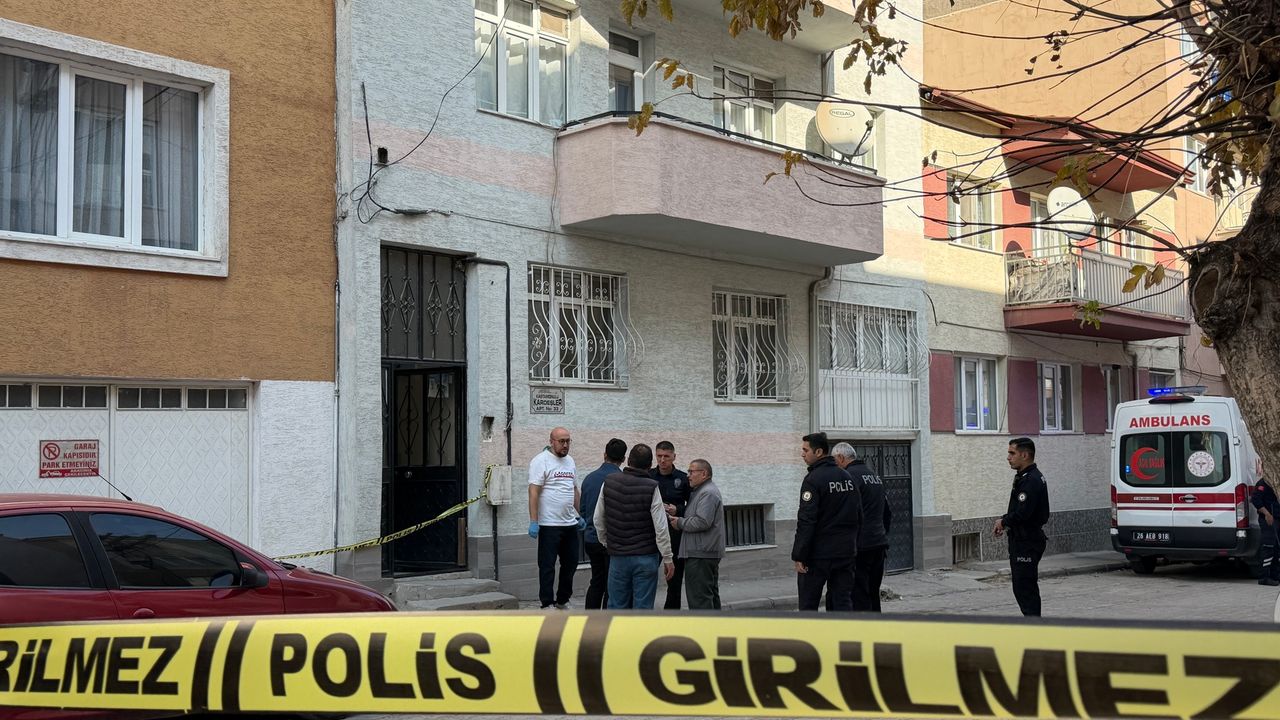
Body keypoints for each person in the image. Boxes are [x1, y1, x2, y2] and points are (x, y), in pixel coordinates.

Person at [593, 443, 675, 609]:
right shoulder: (652, 487)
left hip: (618, 556)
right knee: (643, 609)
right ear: (650, 465)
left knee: (617, 606)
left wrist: (607, 542)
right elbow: (661, 527)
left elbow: (598, 519)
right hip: (646, 557)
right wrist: (667, 558)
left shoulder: (609, 482)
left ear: (628, 461)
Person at [792, 432, 862, 611]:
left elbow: (807, 520)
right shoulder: (847, 477)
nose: (802, 454)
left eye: (805, 450)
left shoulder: (813, 480)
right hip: (845, 553)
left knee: (808, 605)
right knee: (842, 602)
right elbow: (858, 515)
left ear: (818, 452)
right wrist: (853, 545)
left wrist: (800, 555)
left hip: (818, 555)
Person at [528, 427, 583, 610]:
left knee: (571, 563)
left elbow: (573, 490)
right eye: (561, 441)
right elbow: (533, 492)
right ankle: (546, 603)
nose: (565, 445)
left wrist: (581, 514)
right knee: (547, 566)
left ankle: (562, 600)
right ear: (551, 441)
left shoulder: (570, 461)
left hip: (569, 523)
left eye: (568, 441)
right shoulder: (540, 461)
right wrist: (534, 521)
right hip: (549, 524)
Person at [993, 437, 1050, 616]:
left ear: (1024, 455)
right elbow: (1019, 509)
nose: (1008, 457)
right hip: (1023, 539)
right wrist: (1004, 520)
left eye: (1012, 453)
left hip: (1027, 541)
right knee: (1022, 586)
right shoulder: (1025, 477)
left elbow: (1023, 513)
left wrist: (1004, 522)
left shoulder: (1031, 480)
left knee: (1025, 587)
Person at [832, 442, 892, 612]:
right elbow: (887, 513)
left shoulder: (848, 477)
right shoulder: (874, 476)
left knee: (859, 594)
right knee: (873, 592)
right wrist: (881, 533)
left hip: (860, 547)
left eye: (834, 460)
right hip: (878, 544)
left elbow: (844, 514)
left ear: (841, 458)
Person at [669, 459, 724, 609]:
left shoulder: (707, 493)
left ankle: (703, 625)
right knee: (709, 598)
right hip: (702, 552)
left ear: (704, 473)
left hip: (701, 554)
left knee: (699, 600)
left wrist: (680, 522)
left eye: (691, 471)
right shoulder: (701, 491)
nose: (688, 475)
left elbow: (702, 521)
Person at [580, 438, 626, 608]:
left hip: (591, 538)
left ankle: (590, 617)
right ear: (623, 459)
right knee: (611, 585)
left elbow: (583, 510)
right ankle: (607, 618)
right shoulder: (622, 479)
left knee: (597, 580)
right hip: (612, 540)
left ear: (604, 455)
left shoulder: (589, 478)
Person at [652, 440, 690, 609]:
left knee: (674, 578)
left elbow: (693, 505)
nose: (662, 460)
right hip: (653, 533)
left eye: (666, 456)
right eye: (659, 456)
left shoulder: (682, 478)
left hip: (675, 533)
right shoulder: (649, 476)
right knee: (648, 574)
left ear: (674, 457)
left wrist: (678, 509)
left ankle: (672, 613)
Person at [1251, 477, 1280, 586]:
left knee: (1276, 548)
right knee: (1268, 547)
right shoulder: (1264, 482)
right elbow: (1255, 499)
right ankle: (1264, 577)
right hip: (1268, 519)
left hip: (1277, 518)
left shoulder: (1276, 482)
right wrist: (1267, 514)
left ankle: (1275, 575)